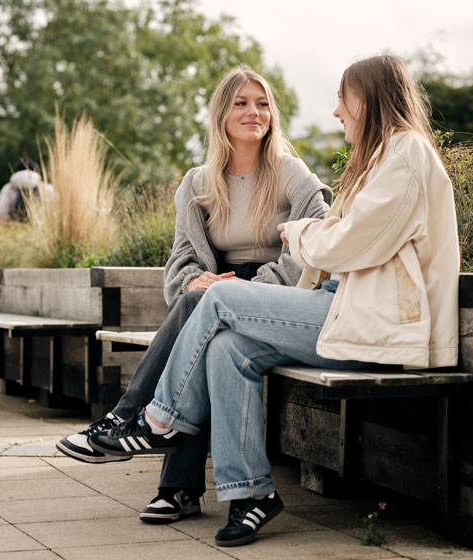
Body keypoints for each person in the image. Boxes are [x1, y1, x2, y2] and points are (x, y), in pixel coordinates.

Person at [89, 54, 461, 547]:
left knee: (218, 299)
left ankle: (158, 421)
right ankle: (251, 494)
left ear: (367, 99)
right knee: (227, 349)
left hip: (377, 323)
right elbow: (346, 237)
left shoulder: (407, 153)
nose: (336, 113)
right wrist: (316, 235)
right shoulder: (381, 157)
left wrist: (301, 231)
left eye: (342, 100)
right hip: (345, 308)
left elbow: (345, 242)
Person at [56, 65, 333, 523]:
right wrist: (193, 281)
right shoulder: (199, 182)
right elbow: (181, 257)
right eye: (241, 103)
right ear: (221, 114)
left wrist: (248, 289)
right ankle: (169, 476)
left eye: (262, 103)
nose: (254, 112)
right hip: (214, 288)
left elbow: (317, 244)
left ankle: (136, 435)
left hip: (274, 293)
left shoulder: (290, 172)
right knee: (197, 308)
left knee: (200, 308)